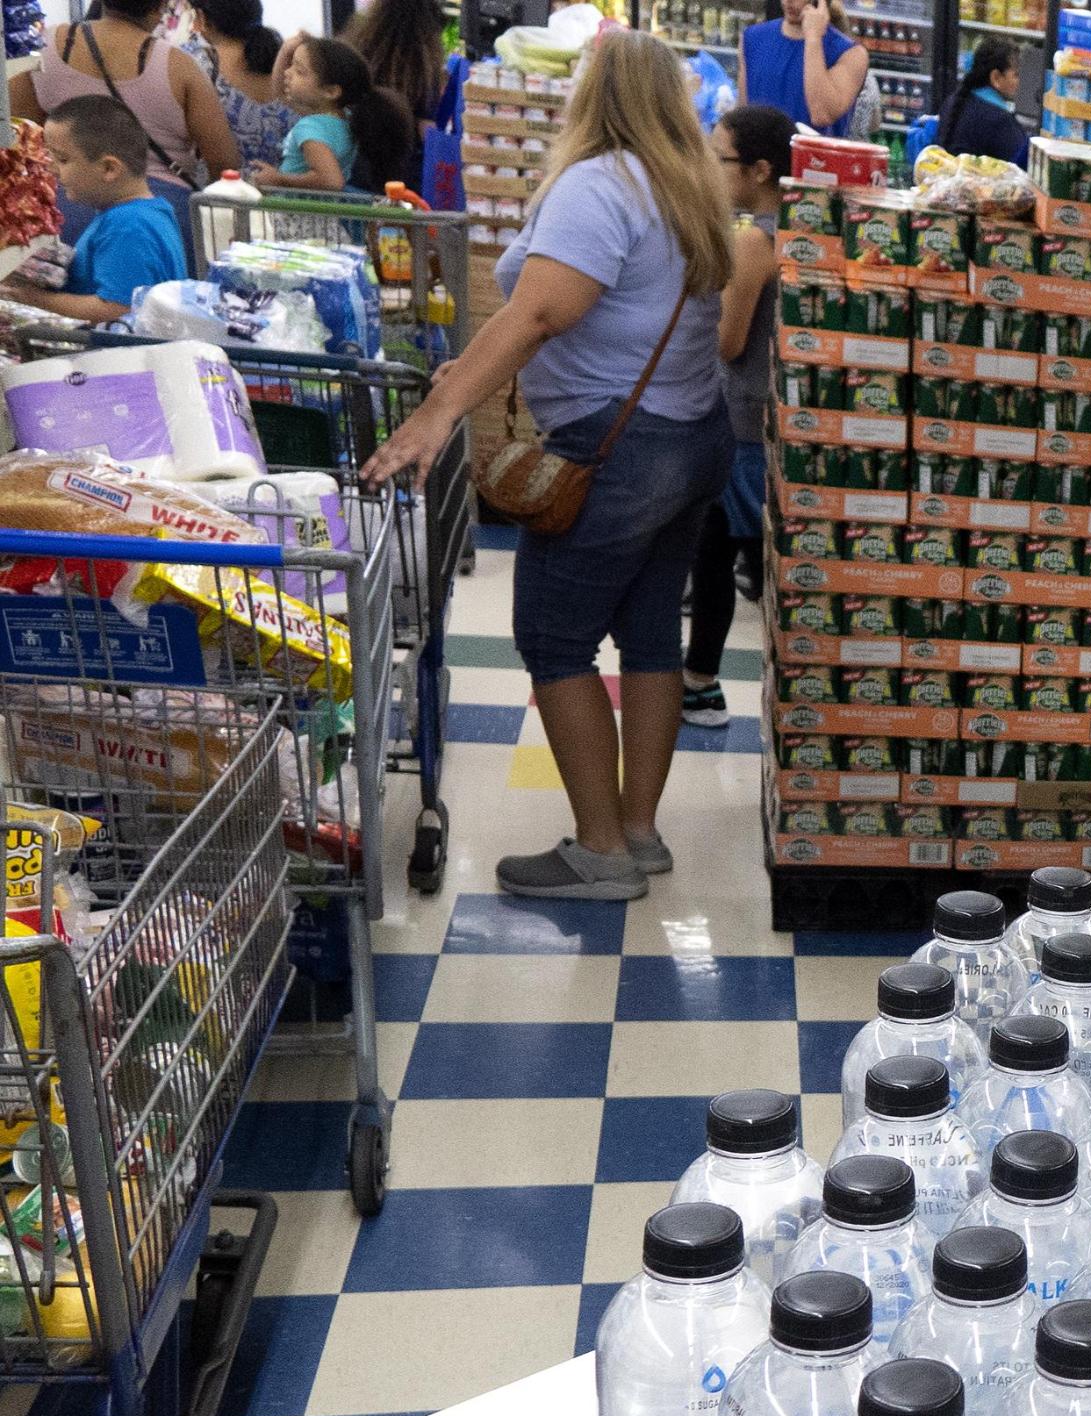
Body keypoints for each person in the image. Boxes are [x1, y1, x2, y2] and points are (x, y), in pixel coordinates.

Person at [363, 33, 732, 902]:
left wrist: (434, 417)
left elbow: (537, 316)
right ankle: (637, 832)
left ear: (587, 98)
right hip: (691, 436)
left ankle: (599, 851)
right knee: (649, 637)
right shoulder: (691, 189)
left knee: (555, 639)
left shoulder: (600, 184)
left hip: (617, 447)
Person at [684, 102, 789, 728]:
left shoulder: (754, 243)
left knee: (722, 555)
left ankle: (701, 683)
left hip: (742, 425)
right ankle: (702, 683)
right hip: (773, 419)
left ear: (758, 170)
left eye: (719, 157)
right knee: (739, 555)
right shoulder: (804, 229)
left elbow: (728, 342)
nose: (710, 168)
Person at [10, 0, 239, 187]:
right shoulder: (181, 67)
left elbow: (21, 135)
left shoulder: (42, 47)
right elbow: (224, 162)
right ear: (160, 7)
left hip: (67, 203)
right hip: (160, 202)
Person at [5, 97, 185, 322]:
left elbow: (117, 309)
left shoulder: (129, 224)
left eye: (62, 159)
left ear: (109, 168)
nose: (51, 168)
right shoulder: (142, 212)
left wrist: (31, 297)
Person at [252, 35, 413, 194]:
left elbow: (331, 181)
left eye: (299, 71)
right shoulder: (343, 118)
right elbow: (281, 92)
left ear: (330, 91)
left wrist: (279, 179)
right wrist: (287, 50)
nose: (287, 72)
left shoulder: (310, 127)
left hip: (298, 216)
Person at [184, 0, 290, 177]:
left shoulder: (191, 60)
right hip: (279, 195)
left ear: (202, 18)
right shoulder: (293, 67)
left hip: (212, 192)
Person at [740, 0, 866, 138]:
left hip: (813, 158)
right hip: (760, 155)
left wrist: (813, 38)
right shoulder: (752, 38)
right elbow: (743, 116)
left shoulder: (851, 54)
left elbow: (821, 113)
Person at [340, 0, 446, 133]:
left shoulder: (359, 46)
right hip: (400, 145)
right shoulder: (422, 70)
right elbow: (426, 124)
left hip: (356, 137)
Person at [935, 36, 1032, 161]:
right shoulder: (1000, 121)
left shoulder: (952, 102)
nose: (1019, 81)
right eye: (1016, 75)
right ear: (996, 77)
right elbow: (1023, 167)